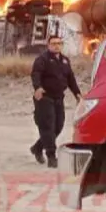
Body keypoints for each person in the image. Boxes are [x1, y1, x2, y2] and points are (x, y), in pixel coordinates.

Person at [30, 35, 81, 168]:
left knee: (58, 126)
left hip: (59, 97)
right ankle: (51, 156)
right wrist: (38, 87)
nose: (56, 46)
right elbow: (36, 74)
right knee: (47, 127)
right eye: (53, 43)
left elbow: (70, 79)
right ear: (48, 45)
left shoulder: (65, 60)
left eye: (59, 43)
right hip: (45, 98)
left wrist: (77, 94)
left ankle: (37, 147)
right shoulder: (42, 60)